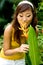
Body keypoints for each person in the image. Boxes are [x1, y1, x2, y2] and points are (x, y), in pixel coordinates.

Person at [0, 0, 38, 65]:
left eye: (28, 16)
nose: (24, 19)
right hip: (6, 60)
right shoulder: (9, 29)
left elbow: (32, 47)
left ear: (33, 15)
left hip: (20, 60)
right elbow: (6, 52)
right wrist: (19, 49)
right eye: (21, 16)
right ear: (16, 16)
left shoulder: (34, 30)